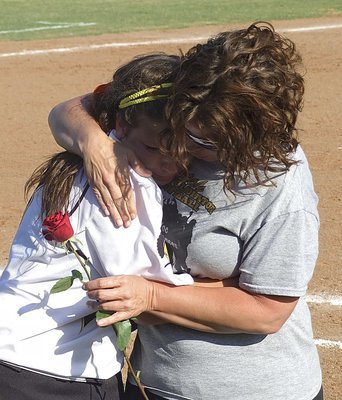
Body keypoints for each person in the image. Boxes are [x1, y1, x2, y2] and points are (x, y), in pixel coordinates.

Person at [49, 23, 323, 400]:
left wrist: (150, 297)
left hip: (251, 390)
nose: (185, 147)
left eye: (204, 141)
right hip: (153, 381)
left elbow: (267, 311)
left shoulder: (278, 184)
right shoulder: (187, 96)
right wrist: (94, 143)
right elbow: (69, 111)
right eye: (185, 128)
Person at [0, 53, 195, 400]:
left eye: (181, 149)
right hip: (52, 372)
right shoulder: (122, 181)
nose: (168, 163)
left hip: (14, 352)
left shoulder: (76, 159)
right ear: (121, 124)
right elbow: (140, 287)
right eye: (153, 147)